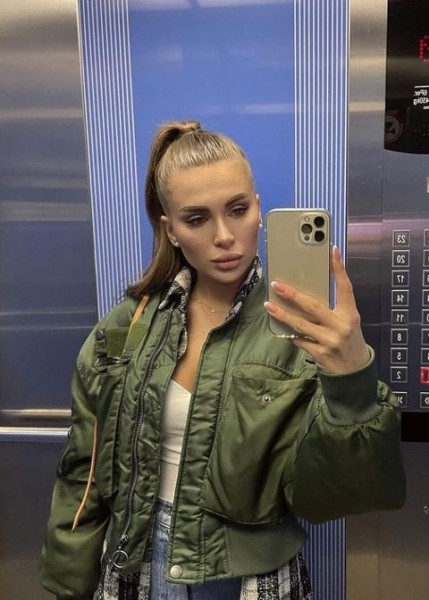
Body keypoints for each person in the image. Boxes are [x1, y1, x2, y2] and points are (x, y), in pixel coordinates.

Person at [39, 120, 406, 600]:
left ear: (259, 208)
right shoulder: (128, 326)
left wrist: (351, 380)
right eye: (197, 219)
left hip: (251, 577)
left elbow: (334, 495)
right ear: (171, 231)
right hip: (136, 566)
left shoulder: (305, 335)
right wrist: (68, 584)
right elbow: (82, 473)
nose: (225, 236)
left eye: (237, 209)